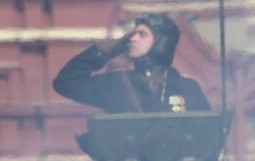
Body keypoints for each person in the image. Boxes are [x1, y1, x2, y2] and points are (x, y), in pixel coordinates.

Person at [53, 13, 210, 114]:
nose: (132, 39)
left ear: (162, 42)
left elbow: (208, 133)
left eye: (142, 35)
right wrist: (105, 52)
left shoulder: (187, 88)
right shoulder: (116, 85)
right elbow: (66, 83)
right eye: (133, 34)